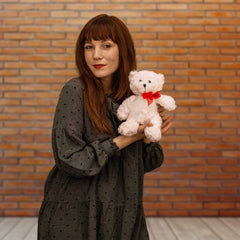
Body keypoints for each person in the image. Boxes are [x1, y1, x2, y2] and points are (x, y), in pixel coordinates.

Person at [38, 14, 173, 240]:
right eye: (89, 46)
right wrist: (126, 139)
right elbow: (69, 159)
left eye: (106, 45)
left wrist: (147, 139)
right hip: (75, 215)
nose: (96, 55)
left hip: (123, 214)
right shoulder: (75, 90)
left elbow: (146, 164)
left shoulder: (134, 99)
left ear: (123, 50)